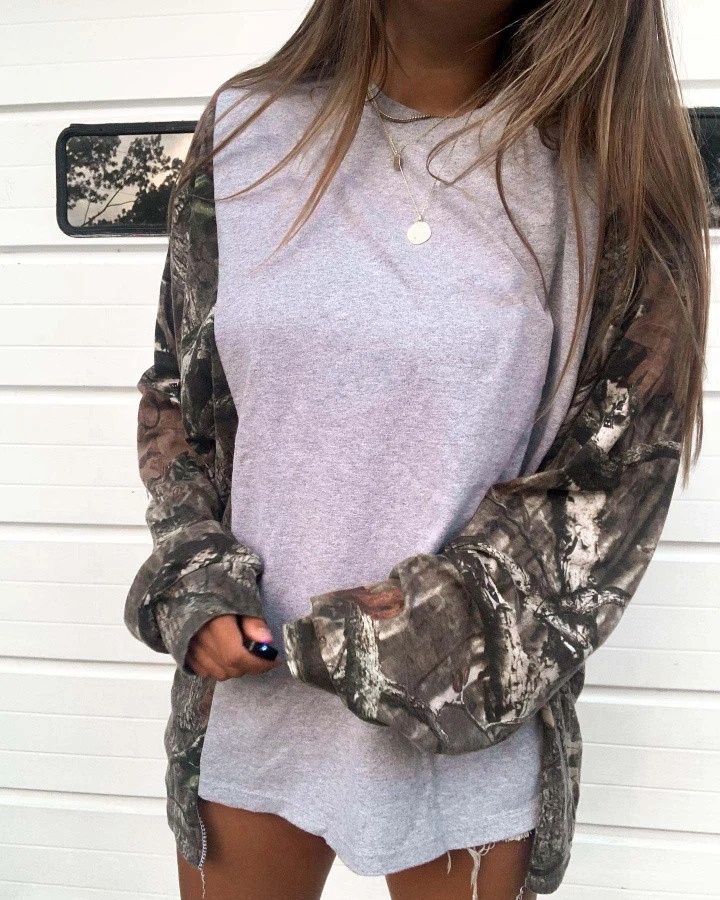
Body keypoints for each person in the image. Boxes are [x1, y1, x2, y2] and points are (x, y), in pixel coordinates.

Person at [123, 0, 711, 898]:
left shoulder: (610, 175)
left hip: (463, 719)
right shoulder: (245, 132)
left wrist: (403, 639)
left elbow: (611, 484)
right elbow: (182, 398)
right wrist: (196, 578)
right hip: (252, 700)